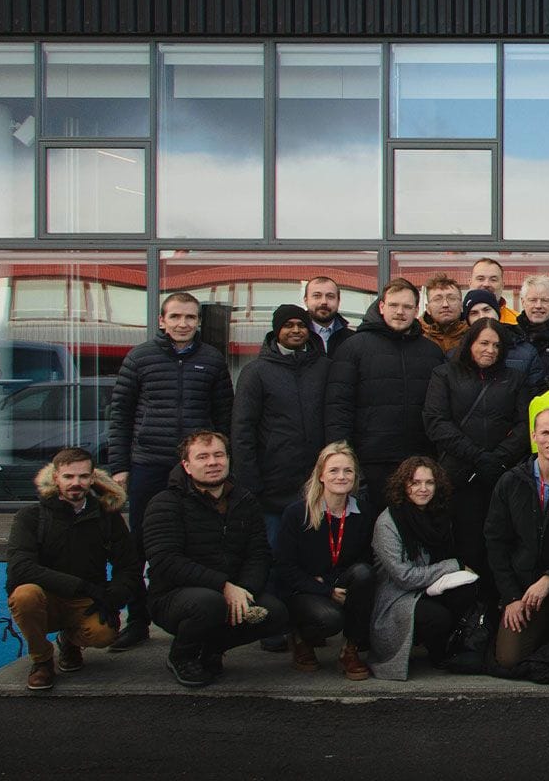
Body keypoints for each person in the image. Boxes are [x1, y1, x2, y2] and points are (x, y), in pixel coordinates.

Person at [107, 290, 235, 650]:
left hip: (196, 470)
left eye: (190, 318)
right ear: (162, 320)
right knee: (139, 545)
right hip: (150, 462)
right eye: (176, 317)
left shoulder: (211, 360)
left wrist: (224, 463)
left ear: (198, 322)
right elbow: (121, 414)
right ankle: (137, 620)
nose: (183, 324)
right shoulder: (140, 358)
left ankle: (194, 615)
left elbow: (224, 415)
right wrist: (120, 466)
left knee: (197, 541)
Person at [143, 431, 288, 687]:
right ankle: (182, 656)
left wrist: (245, 590)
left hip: (232, 590)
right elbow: (166, 560)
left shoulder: (245, 500)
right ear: (186, 465)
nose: (213, 462)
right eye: (203, 457)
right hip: (174, 597)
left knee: (274, 613)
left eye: (219, 455)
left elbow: (259, 553)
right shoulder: (165, 503)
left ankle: (211, 649)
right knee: (209, 604)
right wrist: (223, 586)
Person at [8, 448, 132, 690]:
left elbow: (128, 565)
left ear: (92, 478)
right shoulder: (30, 517)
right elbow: (20, 568)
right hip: (45, 598)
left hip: (85, 601)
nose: (76, 483)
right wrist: (82, 586)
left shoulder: (107, 517)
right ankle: (42, 661)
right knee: (25, 595)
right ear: (55, 478)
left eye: (83, 476)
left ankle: (69, 642)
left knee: (104, 634)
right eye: (68, 477)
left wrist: (114, 596)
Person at [422, 318, 529, 581]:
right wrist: (478, 456)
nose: (490, 350)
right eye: (484, 343)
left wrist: (499, 458)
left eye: (496, 345)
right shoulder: (445, 375)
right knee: (465, 545)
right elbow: (436, 422)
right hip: (458, 476)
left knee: (500, 545)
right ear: (470, 342)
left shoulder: (514, 378)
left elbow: (525, 425)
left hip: (500, 476)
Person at [484, 408, 549, 675]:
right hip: (524, 589)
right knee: (509, 659)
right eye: (545, 433)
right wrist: (510, 596)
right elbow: (496, 543)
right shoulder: (510, 482)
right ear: (533, 436)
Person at [327, 278, 447, 500]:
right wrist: (344, 458)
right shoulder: (354, 347)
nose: (400, 312)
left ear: (416, 310)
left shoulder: (432, 352)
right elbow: (338, 408)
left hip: (419, 464)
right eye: (394, 305)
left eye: (407, 307)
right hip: (369, 463)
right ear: (381, 306)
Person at [368, 455, 480, 681]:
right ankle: (436, 647)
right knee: (438, 617)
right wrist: (452, 565)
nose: (423, 489)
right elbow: (404, 577)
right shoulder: (388, 522)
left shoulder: (438, 516)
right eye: (415, 483)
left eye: (429, 483)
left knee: (467, 589)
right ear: (403, 485)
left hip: (430, 587)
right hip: (398, 597)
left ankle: (445, 648)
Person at [273, 442, 376, 680]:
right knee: (329, 619)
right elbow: (284, 566)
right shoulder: (298, 513)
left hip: (337, 581)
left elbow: (364, 559)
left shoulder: (364, 513)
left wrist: (330, 584)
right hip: (304, 588)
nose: (341, 476)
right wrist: (325, 590)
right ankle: (300, 638)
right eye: (334, 470)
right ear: (321, 475)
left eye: (348, 471)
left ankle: (349, 650)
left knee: (364, 574)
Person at [232, 304, 332, 542]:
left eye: (301, 325)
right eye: (288, 325)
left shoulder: (326, 368)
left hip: (317, 484)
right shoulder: (255, 372)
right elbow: (242, 429)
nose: (296, 330)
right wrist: (249, 481)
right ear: (276, 331)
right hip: (272, 487)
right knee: (274, 556)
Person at [508, 274, 549, 389]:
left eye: (545, 300)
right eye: (533, 300)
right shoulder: (510, 336)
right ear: (523, 302)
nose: (538, 306)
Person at [419, 274, 468, 356]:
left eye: (452, 298)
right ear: (428, 308)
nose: (445, 304)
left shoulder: (473, 335)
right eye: (437, 299)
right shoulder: (415, 335)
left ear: (461, 305)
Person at [303, 276, 352, 353]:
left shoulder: (352, 339)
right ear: (306, 300)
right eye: (317, 296)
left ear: (338, 301)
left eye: (330, 296)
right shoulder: (294, 336)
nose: (324, 302)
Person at [469, 258, 519, 323]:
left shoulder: (517, 322)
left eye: (493, 280)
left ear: (502, 285)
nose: (486, 284)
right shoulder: (459, 322)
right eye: (480, 279)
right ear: (470, 283)